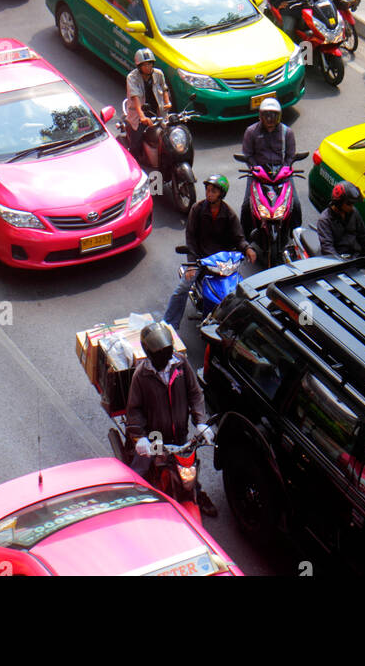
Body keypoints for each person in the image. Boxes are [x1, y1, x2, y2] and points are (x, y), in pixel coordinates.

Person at [126, 321, 216, 515]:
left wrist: (200, 422)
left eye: (167, 351)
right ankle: (134, 499)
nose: (165, 357)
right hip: (156, 437)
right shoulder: (141, 376)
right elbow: (134, 410)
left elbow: (195, 394)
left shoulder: (181, 364)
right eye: (160, 353)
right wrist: (140, 437)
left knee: (188, 468)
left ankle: (197, 493)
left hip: (180, 434)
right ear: (150, 353)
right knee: (141, 468)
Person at [163, 176, 256, 328]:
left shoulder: (229, 214)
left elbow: (239, 238)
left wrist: (248, 248)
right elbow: (191, 239)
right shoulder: (197, 210)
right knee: (182, 289)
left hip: (223, 262)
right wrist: (192, 264)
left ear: (221, 194)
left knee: (241, 289)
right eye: (207, 190)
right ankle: (169, 324)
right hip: (202, 259)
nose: (209, 193)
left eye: (213, 191)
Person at [240, 97, 299, 217]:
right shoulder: (251, 131)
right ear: (261, 116)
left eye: (273, 116)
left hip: (281, 173)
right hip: (258, 172)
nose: (270, 120)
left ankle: (296, 233)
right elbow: (248, 154)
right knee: (247, 205)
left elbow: (290, 155)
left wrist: (285, 168)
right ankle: (244, 235)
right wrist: (255, 168)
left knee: (296, 204)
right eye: (266, 116)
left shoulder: (287, 132)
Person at [124, 47, 171, 167]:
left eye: (150, 64)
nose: (148, 67)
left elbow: (164, 88)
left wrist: (167, 102)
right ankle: (135, 167)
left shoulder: (158, 74)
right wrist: (142, 117)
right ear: (139, 66)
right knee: (136, 144)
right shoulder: (132, 77)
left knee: (171, 136)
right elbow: (135, 98)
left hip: (158, 112)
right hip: (139, 114)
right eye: (144, 65)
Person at [317, 183, 365, 259]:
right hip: (339, 261)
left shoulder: (354, 212)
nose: (352, 207)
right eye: (349, 204)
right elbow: (328, 249)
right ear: (339, 203)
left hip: (355, 257)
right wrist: (340, 263)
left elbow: (363, 236)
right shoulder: (324, 221)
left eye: (353, 204)